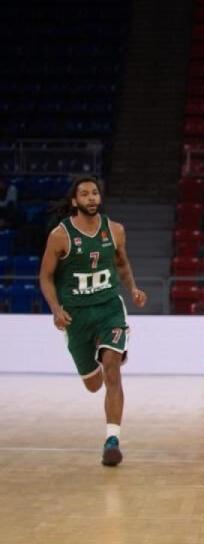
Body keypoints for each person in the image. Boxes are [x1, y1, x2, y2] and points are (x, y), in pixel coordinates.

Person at [38, 176, 147, 466]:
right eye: (84, 194)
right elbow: (45, 276)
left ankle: (112, 440)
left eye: (94, 193)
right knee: (93, 384)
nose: (90, 198)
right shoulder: (60, 236)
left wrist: (133, 288)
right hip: (77, 316)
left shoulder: (115, 230)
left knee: (112, 364)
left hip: (109, 308)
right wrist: (55, 309)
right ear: (74, 201)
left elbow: (121, 264)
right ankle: (96, 357)